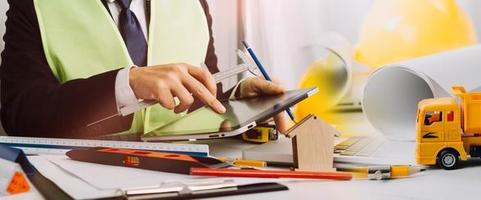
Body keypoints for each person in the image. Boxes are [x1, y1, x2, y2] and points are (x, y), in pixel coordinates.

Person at [0, 0, 289, 138]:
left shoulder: (194, 4)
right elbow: (22, 115)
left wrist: (239, 102)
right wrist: (127, 84)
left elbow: (200, 98)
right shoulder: (34, 5)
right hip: (83, 181)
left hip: (185, 181)